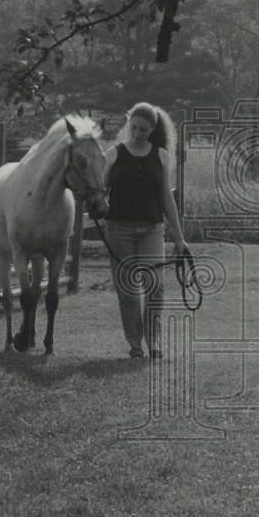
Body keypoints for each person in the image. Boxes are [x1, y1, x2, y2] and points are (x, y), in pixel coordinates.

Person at [103, 102, 187, 359]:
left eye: (144, 129)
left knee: (155, 286)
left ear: (152, 129)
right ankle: (134, 344)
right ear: (129, 123)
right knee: (127, 290)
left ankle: (154, 341)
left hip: (152, 228)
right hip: (118, 228)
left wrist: (180, 238)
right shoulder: (113, 154)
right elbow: (99, 191)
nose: (138, 133)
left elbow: (166, 199)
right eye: (134, 127)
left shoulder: (161, 156)